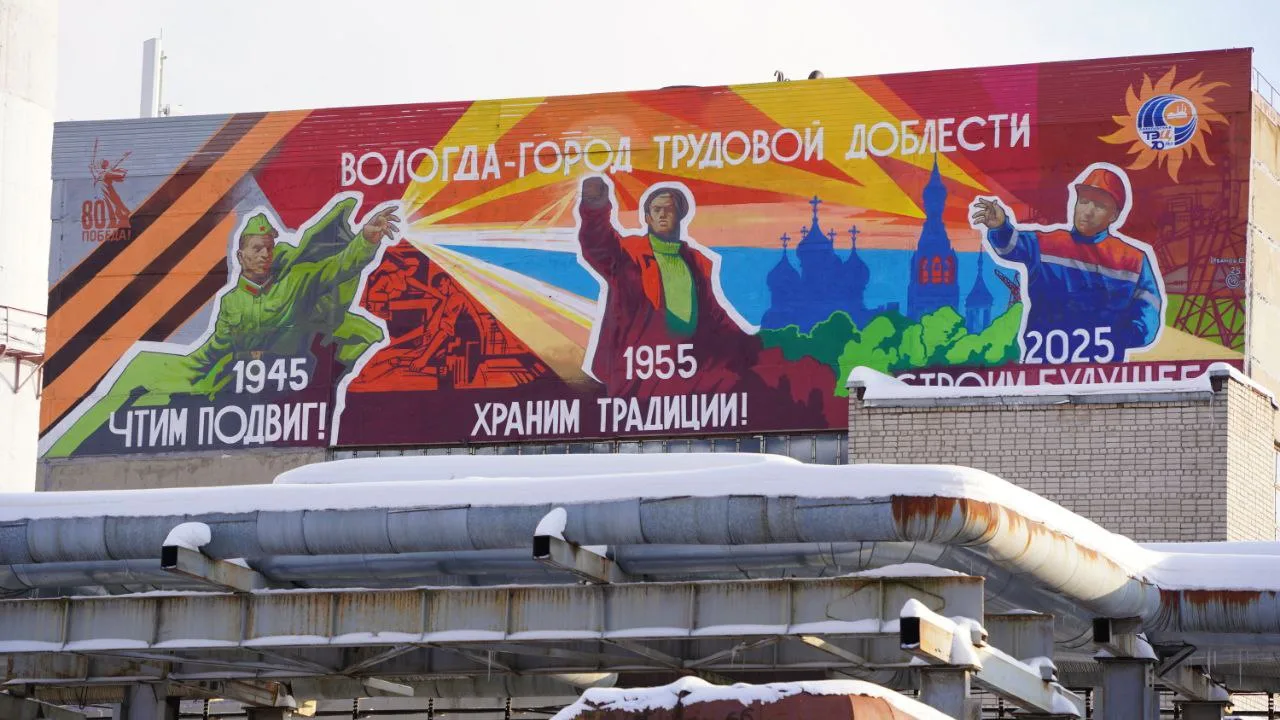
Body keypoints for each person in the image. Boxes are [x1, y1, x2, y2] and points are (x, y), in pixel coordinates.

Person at [44, 197, 399, 457]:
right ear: (241, 256)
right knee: (141, 368)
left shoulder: (297, 281)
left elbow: (339, 267)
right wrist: (194, 372)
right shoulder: (231, 300)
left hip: (290, 385)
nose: (265, 254)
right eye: (257, 249)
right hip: (229, 377)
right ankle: (59, 450)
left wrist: (365, 240)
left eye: (269, 248)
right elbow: (216, 349)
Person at [576, 176, 757, 395]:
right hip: (636, 374)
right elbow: (598, 243)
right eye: (656, 210)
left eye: (669, 209)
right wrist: (595, 204)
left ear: (680, 216)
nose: (662, 214)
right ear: (647, 217)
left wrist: (755, 345)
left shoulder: (696, 263)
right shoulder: (628, 254)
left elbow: (715, 318)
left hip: (685, 374)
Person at [969, 164, 1163, 361]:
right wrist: (1000, 226)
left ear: (1114, 215)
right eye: (1084, 201)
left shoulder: (1134, 260)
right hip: (1044, 367)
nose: (1088, 211)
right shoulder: (1045, 244)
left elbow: (1148, 316)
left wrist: (1111, 338)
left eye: (1099, 206)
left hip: (1102, 371)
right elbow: (1010, 246)